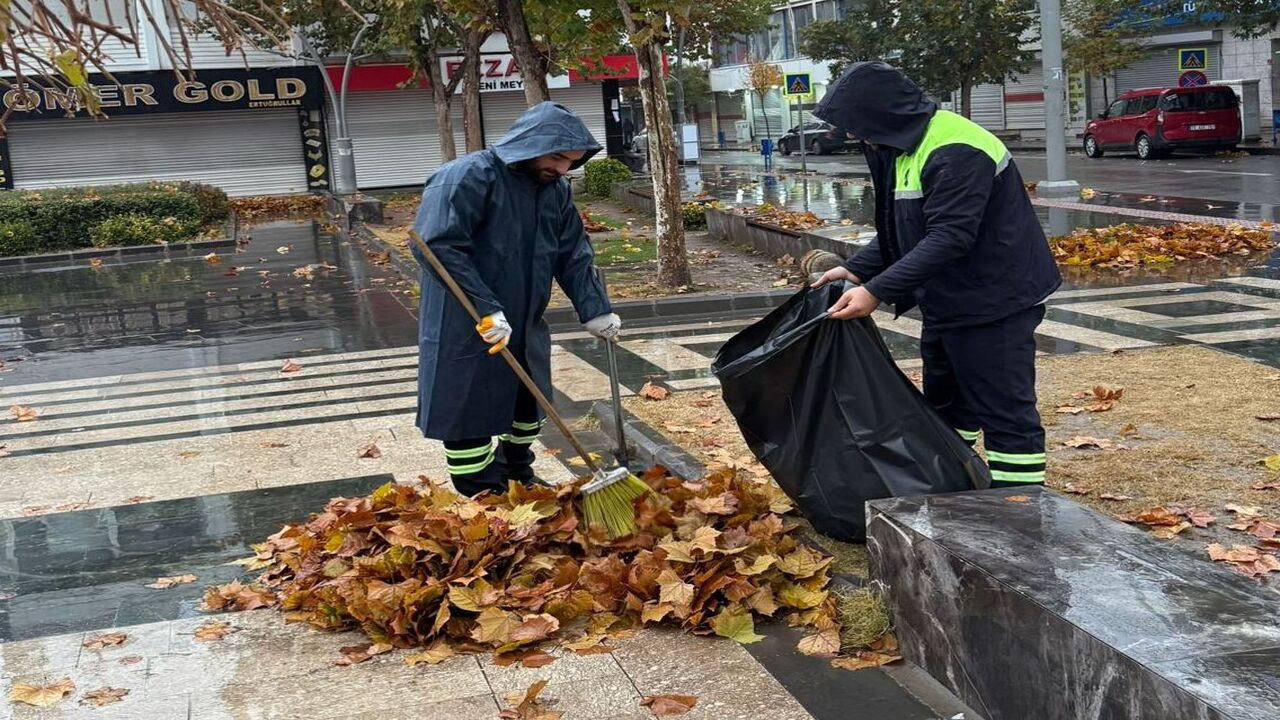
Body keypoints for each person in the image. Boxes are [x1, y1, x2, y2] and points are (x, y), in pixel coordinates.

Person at [810, 62, 1061, 489]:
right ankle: (954, 484)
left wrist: (875, 291)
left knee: (1004, 410)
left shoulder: (956, 148)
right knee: (947, 405)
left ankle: (1020, 507)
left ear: (881, 116)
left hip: (995, 302)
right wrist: (857, 269)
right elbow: (904, 229)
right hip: (950, 300)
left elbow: (949, 237)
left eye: (858, 127)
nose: (857, 138)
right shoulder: (909, 145)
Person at [411, 102, 621, 496]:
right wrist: (486, 307)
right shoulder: (466, 177)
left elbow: (572, 252)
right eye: (557, 157)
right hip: (466, 320)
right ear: (529, 143)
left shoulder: (553, 190)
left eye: (571, 162)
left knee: (528, 405)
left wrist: (595, 308)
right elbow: (438, 246)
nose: (563, 169)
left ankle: (516, 475)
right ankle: (481, 490)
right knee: (469, 409)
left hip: (525, 319)